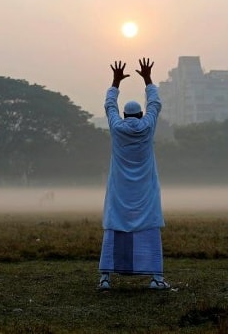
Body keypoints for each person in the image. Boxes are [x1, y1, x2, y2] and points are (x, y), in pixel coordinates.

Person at [98, 58, 170, 290]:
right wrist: (148, 78)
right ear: (139, 115)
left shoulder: (117, 128)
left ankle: (105, 279)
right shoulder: (147, 126)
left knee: (114, 227)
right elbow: (155, 104)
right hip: (145, 191)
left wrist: (115, 82)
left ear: (125, 116)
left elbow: (109, 106)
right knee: (149, 228)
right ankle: (156, 279)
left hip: (120, 190)